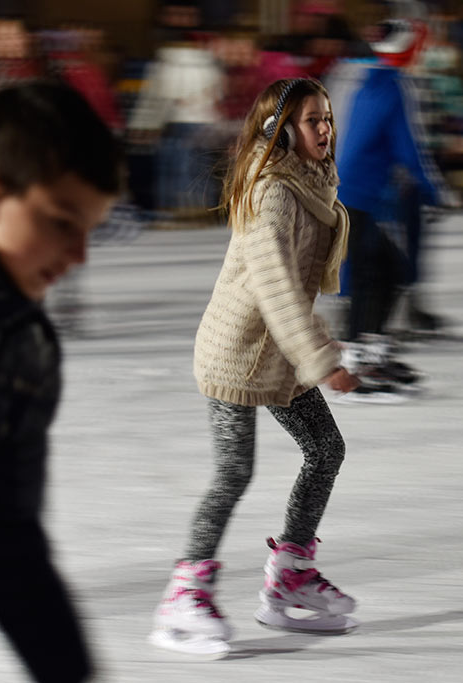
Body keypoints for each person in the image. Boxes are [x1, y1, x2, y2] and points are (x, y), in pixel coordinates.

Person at [150, 77, 360, 657]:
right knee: (233, 472)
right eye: (313, 119)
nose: (326, 128)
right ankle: (184, 591)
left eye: (327, 117)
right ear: (280, 130)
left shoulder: (311, 181)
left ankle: (289, 573)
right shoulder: (273, 193)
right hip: (237, 354)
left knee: (325, 450)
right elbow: (277, 288)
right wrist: (320, 359)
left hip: (277, 355)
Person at [0, 81, 123, 682]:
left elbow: (6, 543)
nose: (79, 257)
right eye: (61, 222)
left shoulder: (20, 348)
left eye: (91, 229)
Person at [326, 15, 452, 401]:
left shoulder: (357, 78)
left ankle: (370, 354)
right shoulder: (393, 84)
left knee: (383, 271)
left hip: (341, 194)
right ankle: (357, 364)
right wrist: (433, 189)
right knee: (376, 274)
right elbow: (406, 148)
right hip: (355, 197)